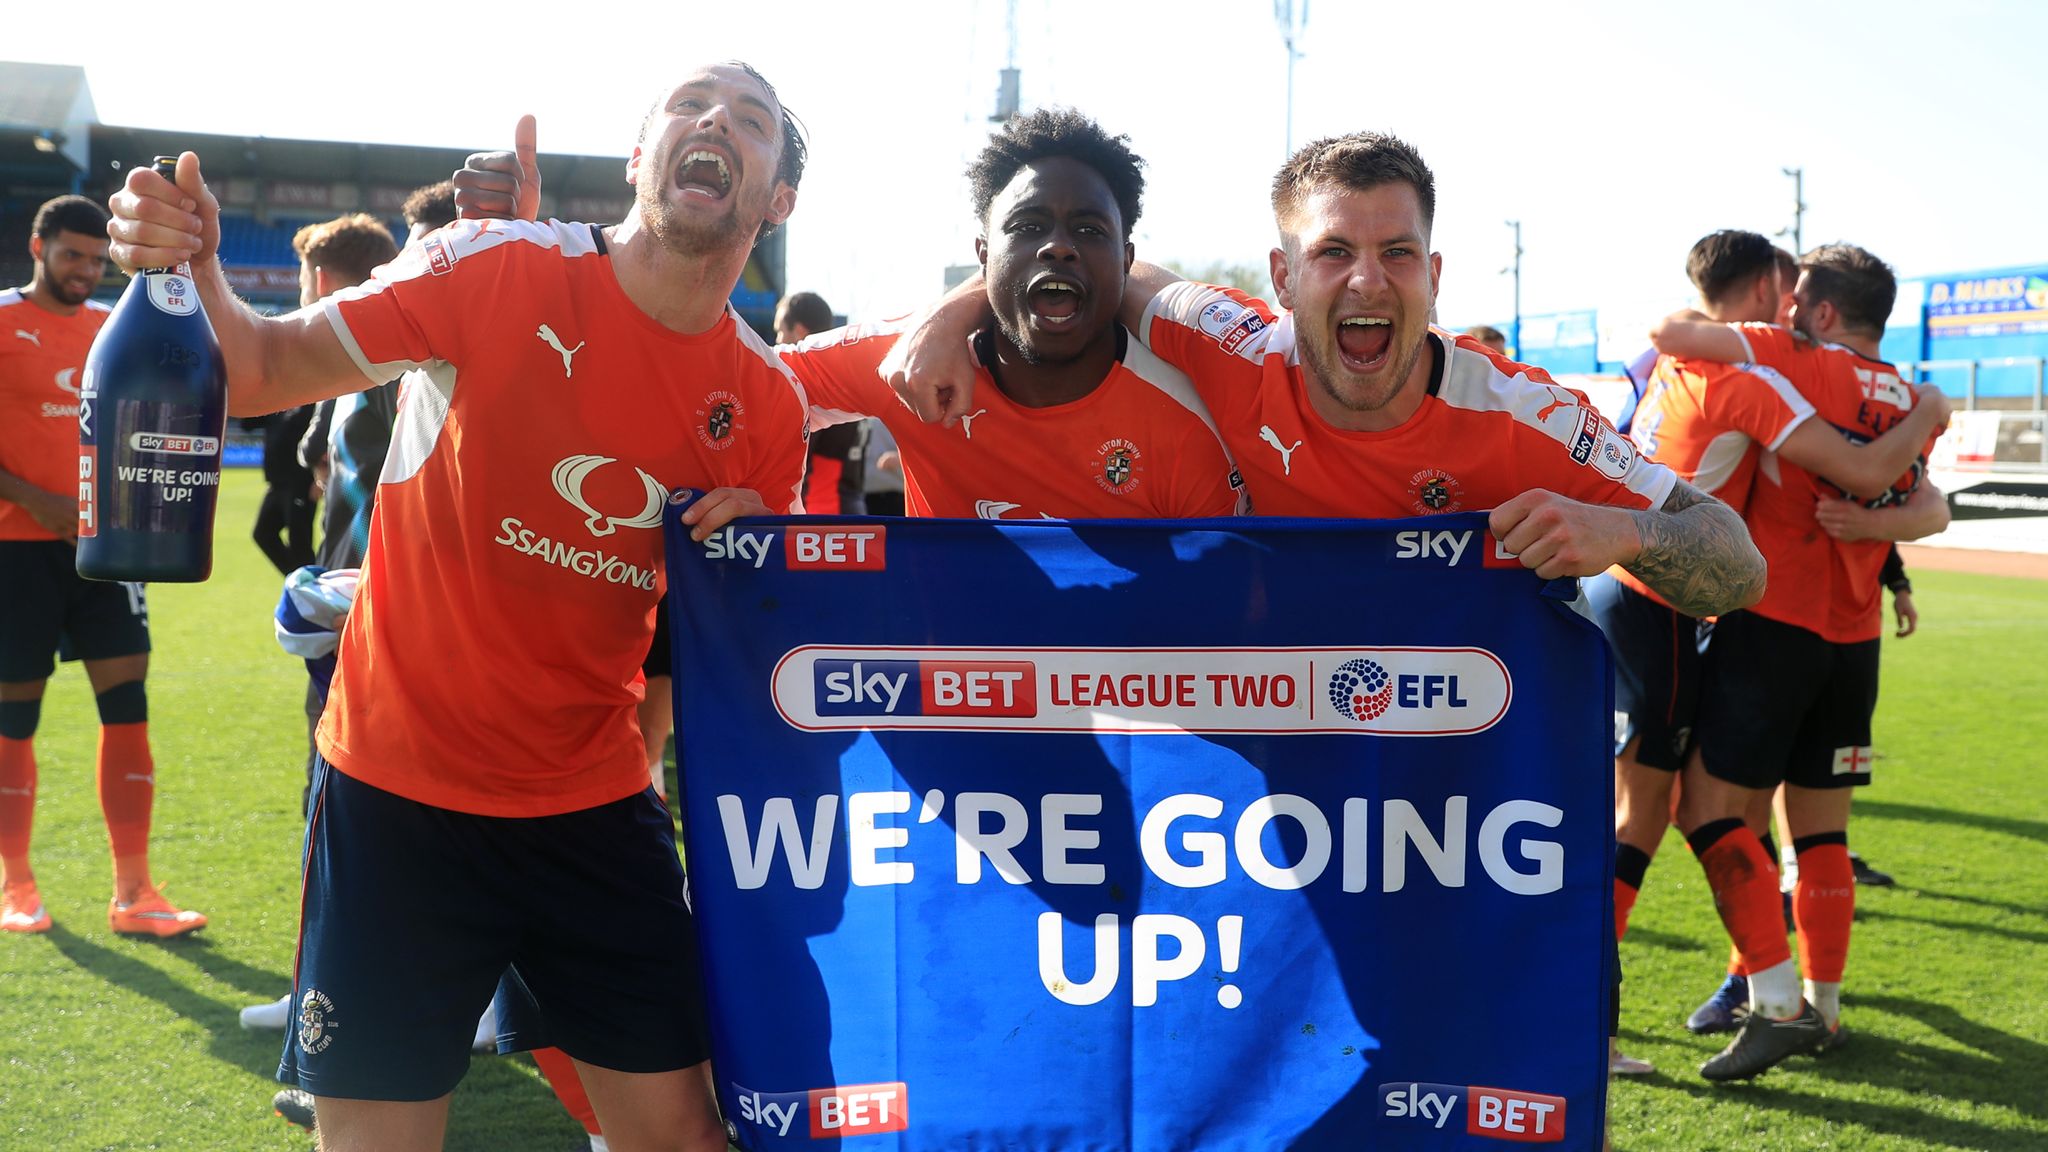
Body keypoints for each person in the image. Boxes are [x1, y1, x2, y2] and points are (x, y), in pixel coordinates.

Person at [107, 61, 812, 1152]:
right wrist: (195, 259)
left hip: (591, 810)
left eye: (752, 119)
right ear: (638, 160)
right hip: (397, 798)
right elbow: (253, 370)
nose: (714, 119)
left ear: (777, 200)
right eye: (686, 104)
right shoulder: (494, 266)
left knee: (680, 1136)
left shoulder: (768, 406)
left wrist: (754, 558)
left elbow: (745, 647)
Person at [1591, 232, 1946, 1066]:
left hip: (1744, 618)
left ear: (1819, 311)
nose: (1788, 315)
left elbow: (1669, 331)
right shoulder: (1891, 391)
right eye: (1778, 301)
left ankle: (1761, 997)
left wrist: (1875, 515)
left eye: (1799, 306)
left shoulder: (1783, 366)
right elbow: (1928, 507)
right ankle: (1802, 1003)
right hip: (1834, 640)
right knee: (1803, 830)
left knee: (1696, 814)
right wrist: (1927, 416)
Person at [1, 195, 205, 939]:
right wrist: (36, 501)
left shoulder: (112, 330)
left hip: (110, 553)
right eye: (72, 256)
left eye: (97, 259)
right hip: (15, 554)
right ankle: (16, 883)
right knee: (14, 717)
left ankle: (134, 891)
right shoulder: (0, 323)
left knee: (128, 706)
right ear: (38, 245)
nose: (86, 271)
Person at [776, 291, 866, 514]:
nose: (777, 340)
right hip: (851, 507)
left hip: (824, 516)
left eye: (779, 331)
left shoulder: (812, 387)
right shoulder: (848, 377)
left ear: (799, 332)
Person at [247, 401, 318, 575]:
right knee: (263, 533)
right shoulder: (279, 399)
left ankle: (309, 589)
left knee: (299, 542)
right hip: (276, 482)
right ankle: (300, 583)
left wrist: (318, 477)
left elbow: (322, 437)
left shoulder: (314, 401)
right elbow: (248, 424)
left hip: (301, 482)